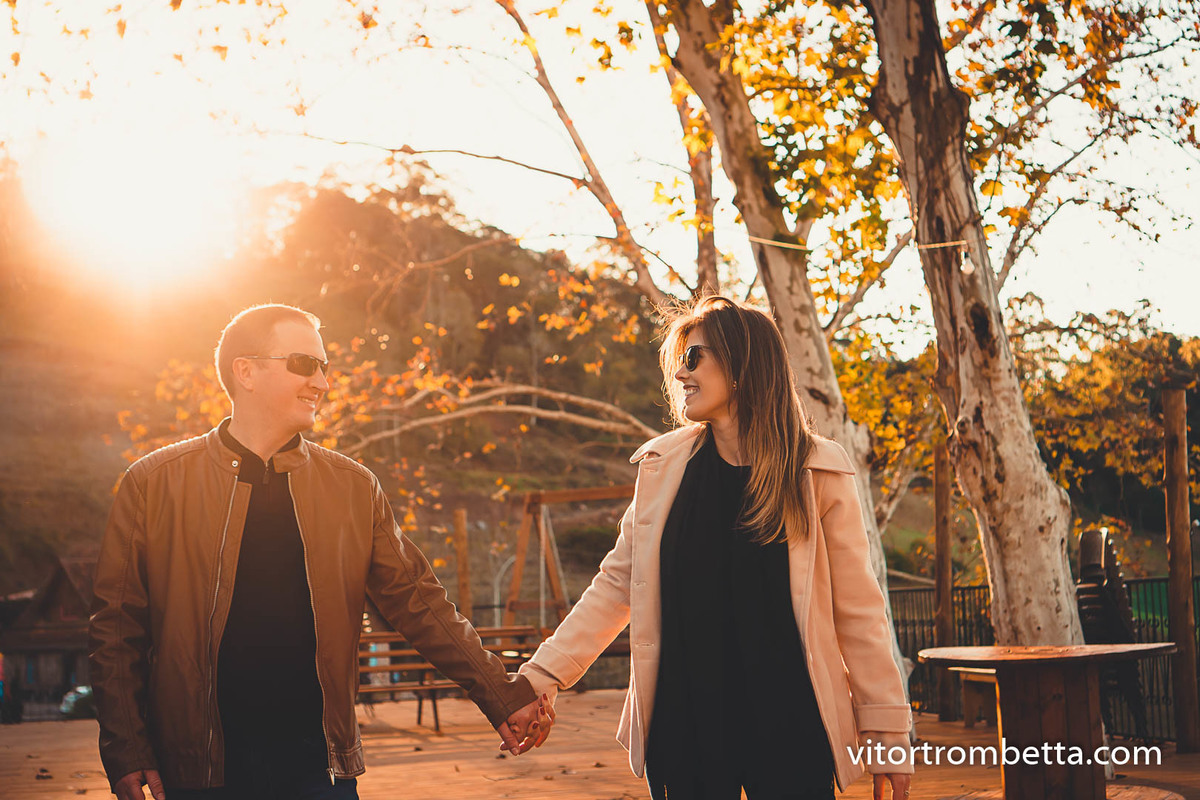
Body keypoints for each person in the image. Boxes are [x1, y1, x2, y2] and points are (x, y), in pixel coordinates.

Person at [89, 304, 551, 800]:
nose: (324, 383)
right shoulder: (154, 483)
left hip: (319, 773)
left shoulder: (353, 487)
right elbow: (117, 630)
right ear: (245, 371)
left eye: (325, 368)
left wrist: (500, 691)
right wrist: (128, 750)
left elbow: (420, 605)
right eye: (305, 364)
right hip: (195, 775)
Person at [517, 296, 913, 799]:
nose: (680, 374)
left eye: (693, 358)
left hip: (791, 727)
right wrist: (542, 675)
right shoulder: (662, 469)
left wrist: (888, 738)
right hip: (685, 727)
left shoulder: (817, 472)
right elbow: (616, 584)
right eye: (678, 361)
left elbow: (859, 612)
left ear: (742, 363)